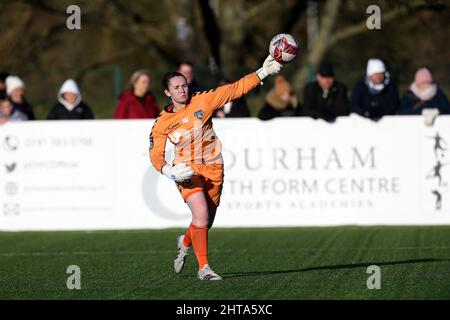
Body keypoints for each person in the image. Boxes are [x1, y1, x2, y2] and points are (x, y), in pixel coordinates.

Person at [149, 55, 283, 280]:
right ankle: (204, 269)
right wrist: (167, 170)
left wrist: (263, 73)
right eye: (176, 87)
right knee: (200, 214)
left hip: (213, 167)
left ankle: (185, 241)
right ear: (167, 93)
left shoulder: (203, 100)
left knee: (205, 221)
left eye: (184, 85)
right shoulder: (162, 123)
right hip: (186, 170)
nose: (182, 90)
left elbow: (234, 89)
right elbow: (155, 154)